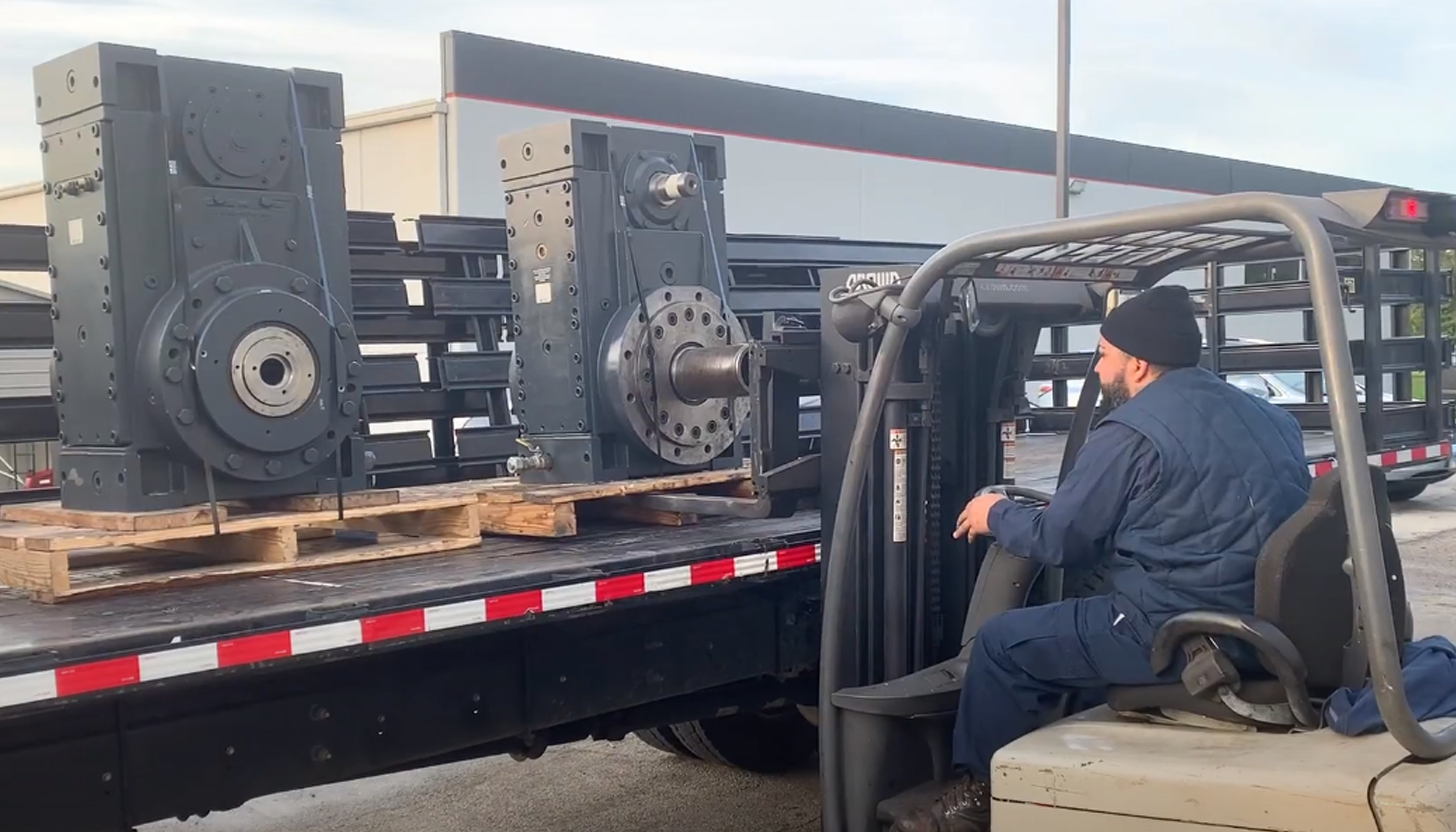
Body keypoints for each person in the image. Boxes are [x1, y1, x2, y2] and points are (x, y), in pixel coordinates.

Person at [894, 284, 1313, 832]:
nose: (1096, 368)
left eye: (1103, 355)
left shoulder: (1131, 434)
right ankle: (1069, 761)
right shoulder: (1266, 416)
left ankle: (980, 799)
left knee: (1003, 645)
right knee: (1090, 609)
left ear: (1137, 364)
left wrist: (993, 513)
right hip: (1267, 622)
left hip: (1183, 633)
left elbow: (1064, 542)